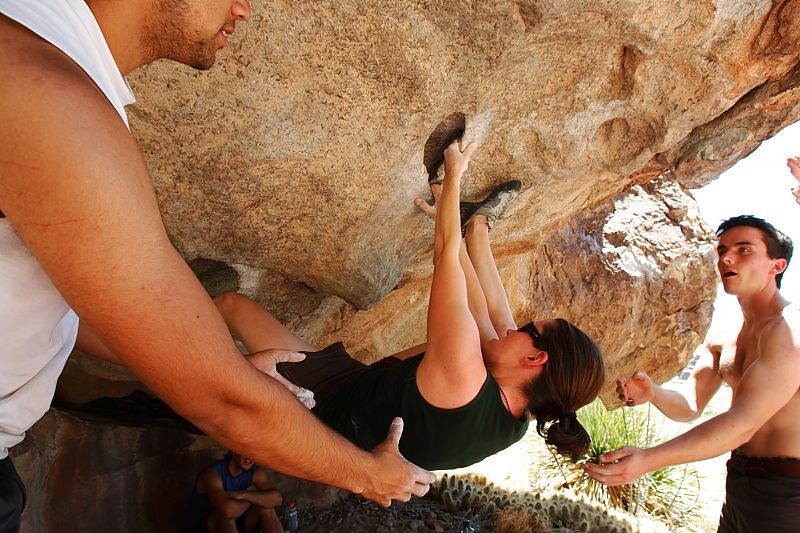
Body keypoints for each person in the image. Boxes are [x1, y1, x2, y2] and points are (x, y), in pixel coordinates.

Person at [0, 0, 434, 526]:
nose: (244, 10)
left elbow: (79, 306)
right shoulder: (52, 98)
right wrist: (369, 474)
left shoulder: (31, 57)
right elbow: (224, 403)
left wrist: (205, 360)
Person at [212, 140, 607, 470]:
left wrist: (453, 178)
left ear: (537, 360)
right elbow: (489, 320)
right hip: (366, 398)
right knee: (490, 336)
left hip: (321, 409)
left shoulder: (463, 378)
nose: (514, 327)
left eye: (527, 331)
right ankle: (478, 228)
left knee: (232, 303)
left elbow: (445, 259)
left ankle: (173, 309)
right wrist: (450, 216)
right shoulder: (517, 417)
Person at [584, 215, 800, 532]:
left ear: (776, 266)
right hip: (741, 482)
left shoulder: (788, 330)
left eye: (744, 249)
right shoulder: (724, 337)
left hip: (790, 493)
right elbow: (690, 405)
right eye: (722, 249)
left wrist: (649, 459)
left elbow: (742, 424)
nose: (726, 257)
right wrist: (654, 392)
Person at [181, 451, 283, 533]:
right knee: (225, 515)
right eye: (246, 453)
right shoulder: (212, 474)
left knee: (266, 506)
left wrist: (244, 495)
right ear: (234, 450)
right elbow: (227, 511)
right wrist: (256, 499)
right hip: (201, 528)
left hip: (232, 524)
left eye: (253, 454)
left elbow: (277, 499)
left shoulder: (255, 472)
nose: (249, 459)